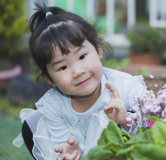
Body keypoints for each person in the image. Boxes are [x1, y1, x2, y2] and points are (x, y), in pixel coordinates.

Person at [13, 3, 147, 160]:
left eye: (82, 56)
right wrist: (72, 151)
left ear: (98, 49)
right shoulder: (53, 104)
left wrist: (127, 121)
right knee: (33, 124)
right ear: (49, 78)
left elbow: (154, 131)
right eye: (63, 67)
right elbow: (61, 143)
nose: (78, 72)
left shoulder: (127, 86)